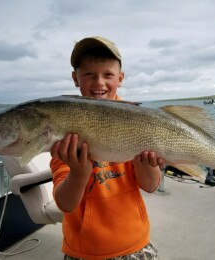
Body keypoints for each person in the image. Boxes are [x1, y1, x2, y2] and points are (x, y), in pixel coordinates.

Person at [50, 36, 165, 260]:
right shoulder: (64, 127)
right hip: (84, 251)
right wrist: (79, 171)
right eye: (89, 74)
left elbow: (150, 186)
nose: (99, 83)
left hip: (135, 243)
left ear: (120, 78)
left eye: (108, 75)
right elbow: (65, 204)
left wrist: (146, 165)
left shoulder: (139, 121)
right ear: (76, 78)